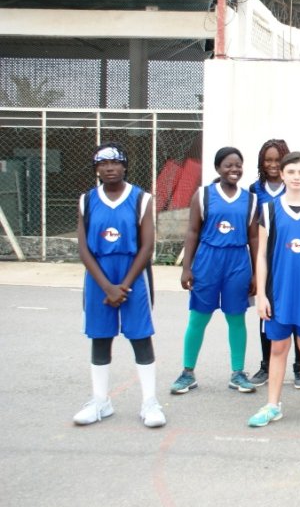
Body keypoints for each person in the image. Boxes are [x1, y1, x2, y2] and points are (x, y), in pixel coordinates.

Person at [74, 142, 165, 428]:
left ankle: (150, 402)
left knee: (140, 337)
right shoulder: (87, 200)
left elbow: (147, 245)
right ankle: (101, 400)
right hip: (99, 275)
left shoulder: (141, 199)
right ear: (97, 169)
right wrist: (107, 287)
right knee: (100, 337)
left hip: (133, 275)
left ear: (125, 166)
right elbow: (84, 250)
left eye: (114, 163)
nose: (109, 168)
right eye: (102, 164)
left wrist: (123, 285)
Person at [248, 151, 300, 428]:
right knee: (278, 347)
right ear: (282, 175)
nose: (297, 177)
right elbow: (261, 255)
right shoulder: (268, 210)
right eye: (291, 172)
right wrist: (261, 295)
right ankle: (272, 404)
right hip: (279, 293)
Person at [170, 147, 259, 395]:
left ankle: (238, 373)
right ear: (218, 168)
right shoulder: (203, 195)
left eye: (238, 165)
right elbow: (192, 232)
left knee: (236, 317)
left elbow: (253, 237)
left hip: (237, 261)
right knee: (199, 317)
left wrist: (256, 273)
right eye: (228, 165)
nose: (234, 169)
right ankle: (187, 372)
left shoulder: (250, 199)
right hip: (208, 260)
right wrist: (186, 268)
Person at [247, 139, 300, 390]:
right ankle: (265, 364)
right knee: (268, 316)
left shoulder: (296, 188)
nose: (272, 164)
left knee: (296, 313)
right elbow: (252, 231)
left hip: (291, 260)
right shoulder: (254, 189)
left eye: (276, 160)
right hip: (267, 262)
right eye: (267, 160)